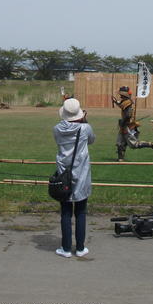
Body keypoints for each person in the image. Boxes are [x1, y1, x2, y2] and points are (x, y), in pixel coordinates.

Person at [53, 98, 95, 258]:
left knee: (65, 212)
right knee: (81, 212)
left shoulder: (57, 128)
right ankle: (80, 248)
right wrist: (84, 120)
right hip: (82, 173)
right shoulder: (85, 128)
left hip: (64, 173)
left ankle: (65, 248)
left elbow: (59, 140)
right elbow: (92, 140)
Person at [112, 86, 153, 161]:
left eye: (121, 94)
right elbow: (121, 105)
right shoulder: (125, 101)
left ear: (124, 94)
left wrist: (123, 123)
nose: (120, 96)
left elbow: (128, 115)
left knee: (134, 145)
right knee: (120, 142)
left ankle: (149, 144)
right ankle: (120, 159)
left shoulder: (128, 102)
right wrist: (116, 102)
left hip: (128, 126)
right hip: (124, 126)